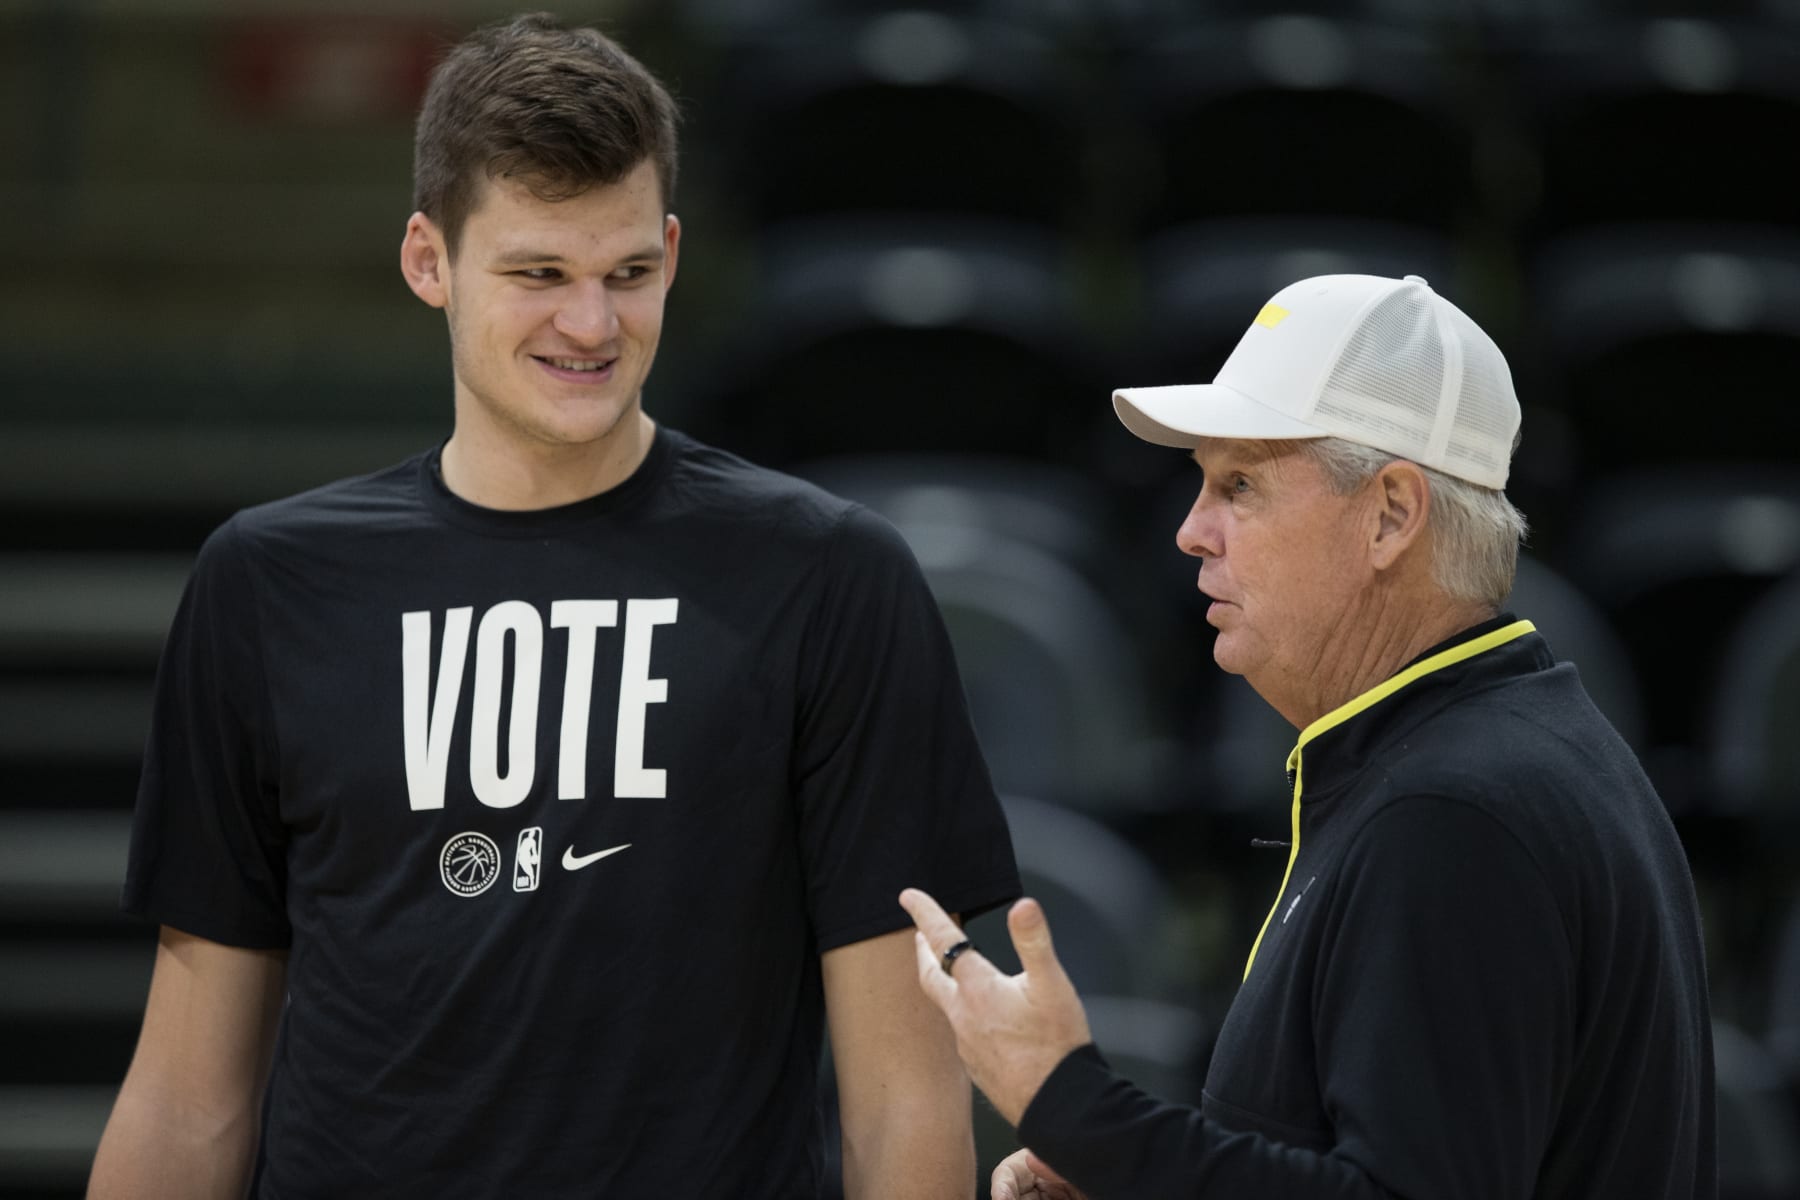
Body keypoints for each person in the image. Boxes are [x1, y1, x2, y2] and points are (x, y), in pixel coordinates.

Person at [89, 13, 1018, 1198]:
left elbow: (904, 1105)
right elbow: (186, 1098)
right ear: (430, 260)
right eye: (539, 274)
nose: (592, 325)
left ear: (674, 253)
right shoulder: (268, 587)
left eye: (627, 273)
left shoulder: (828, 580)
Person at [901, 273, 1716, 1200]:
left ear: (1392, 515)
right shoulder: (1501, 757)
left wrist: (1078, 1110)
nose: (1190, 532)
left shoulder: (1455, 813)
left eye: (1239, 484)